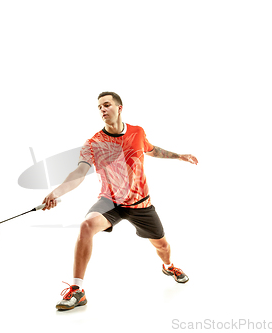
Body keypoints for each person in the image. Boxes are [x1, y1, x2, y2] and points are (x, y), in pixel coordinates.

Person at [42, 92, 198, 310]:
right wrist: (56, 193)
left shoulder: (137, 132)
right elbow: (79, 172)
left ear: (119, 107)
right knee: (87, 225)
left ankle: (169, 266)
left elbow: (152, 150)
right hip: (110, 202)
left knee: (162, 245)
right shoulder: (93, 143)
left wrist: (179, 155)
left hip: (141, 204)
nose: (102, 109)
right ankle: (78, 290)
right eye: (99, 107)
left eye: (106, 105)